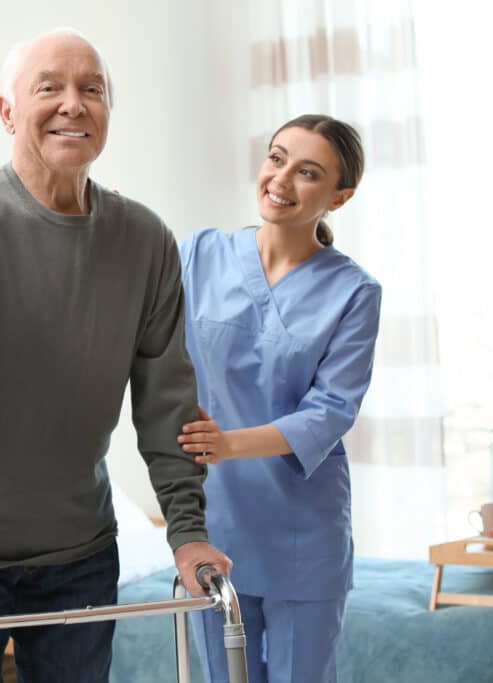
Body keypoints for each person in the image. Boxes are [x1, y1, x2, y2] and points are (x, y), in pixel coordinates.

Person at [0, 27, 230, 682]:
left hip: (80, 555)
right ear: (8, 112)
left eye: (91, 89)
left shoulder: (146, 241)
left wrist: (186, 528)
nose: (74, 103)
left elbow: (167, 402)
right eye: (50, 87)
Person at [176, 115, 381, 683]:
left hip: (302, 533)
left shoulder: (354, 292)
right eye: (276, 158)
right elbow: (139, 330)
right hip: (213, 523)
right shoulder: (198, 255)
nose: (281, 179)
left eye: (307, 172)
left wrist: (227, 442)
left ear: (340, 198)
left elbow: (331, 410)